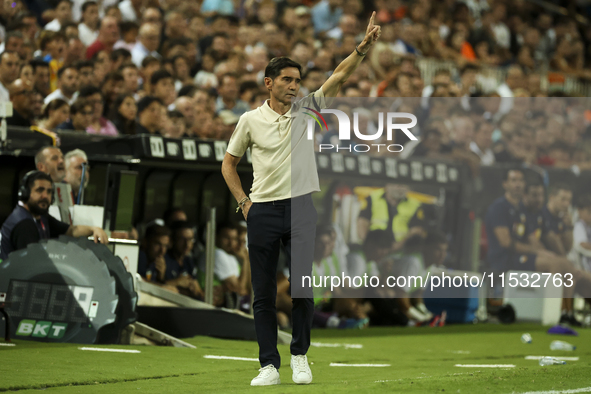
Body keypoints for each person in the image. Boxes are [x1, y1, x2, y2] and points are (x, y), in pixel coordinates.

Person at [221, 12, 381, 386]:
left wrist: (360, 48)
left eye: (298, 80)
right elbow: (229, 165)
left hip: (301, 209)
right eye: (287, 80)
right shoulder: (248, 120)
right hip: (261, 211)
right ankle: (268, 366)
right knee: (262, 294)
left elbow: (339, 75)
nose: (295, 86)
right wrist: (244, 204)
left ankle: (300, 357)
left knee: (302, 289)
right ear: (269, 83)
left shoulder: (308, 109)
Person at [484, 168, 591, 295]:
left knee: (572, 271)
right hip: (505, 258)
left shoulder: (521, 210)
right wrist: (540, 252)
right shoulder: (499, 207)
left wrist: (567, 231)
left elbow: (534, 238)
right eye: (513, 180)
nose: (518, 184)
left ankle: (567, 310)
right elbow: (506, 242)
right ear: (505, 184)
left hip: (523, 256)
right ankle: (556, 309)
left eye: (521, 180)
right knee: (557, 265)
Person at [0, 171, 107, 260]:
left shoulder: (40, 217)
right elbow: (31, 265)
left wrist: (94, 229)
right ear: (25, 193)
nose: (45, 196)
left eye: (49, 191)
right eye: (40, 190)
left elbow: (71, 230)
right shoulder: (24, 224)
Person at [356, 183, 429, 249]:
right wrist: (369, 246)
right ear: (387, 185)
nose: (400, 188)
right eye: (396, 184)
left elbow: (417, 231)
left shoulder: (415, 205)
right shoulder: (372, 198)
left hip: (402, 250)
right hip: (374, 247)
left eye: (403, 185)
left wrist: (397, 246)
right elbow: (362, 223)